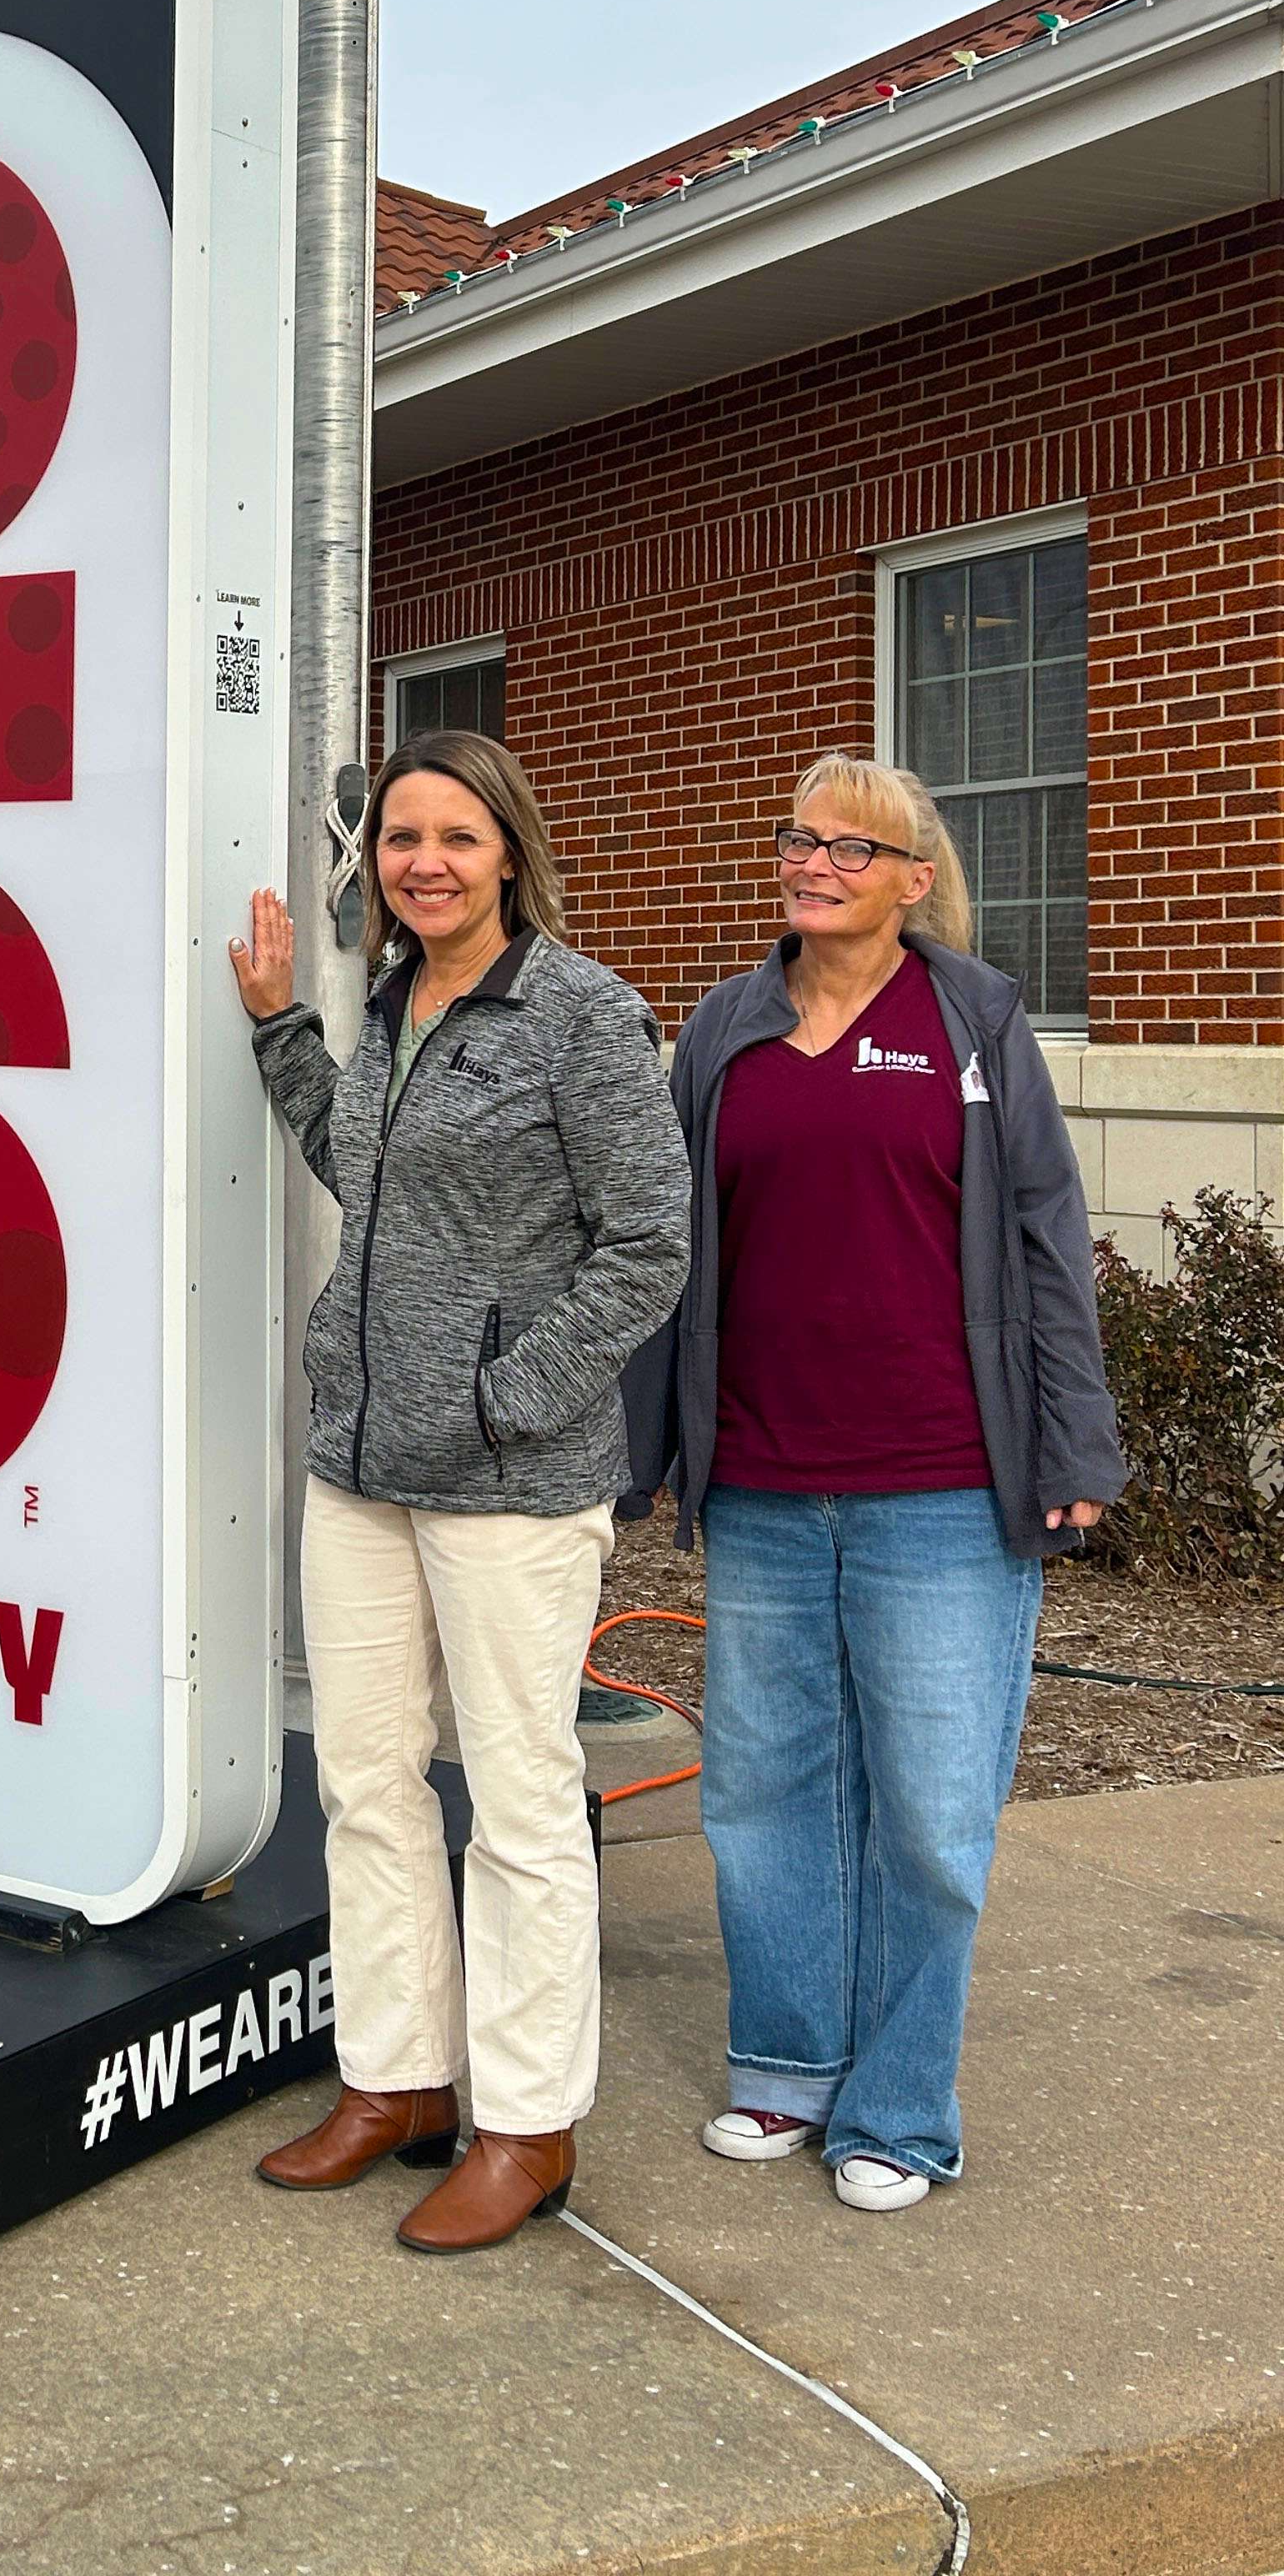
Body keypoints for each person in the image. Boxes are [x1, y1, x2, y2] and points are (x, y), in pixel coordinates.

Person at [629, 754, 1123, 2211]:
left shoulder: (969, 1018)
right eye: (797, 835)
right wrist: (638, 1448)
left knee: (926, 1805)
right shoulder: (722, 1025)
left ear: (914, 878)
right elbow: (666, 1252)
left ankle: (897, 2110)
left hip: (938, 1481)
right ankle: (785, 2066)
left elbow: (1043, 1230)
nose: (815, 861)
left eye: (853, 845)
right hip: (767, 1477)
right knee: (764, 1786)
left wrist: (1073, 1439)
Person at [231, 731, 690, 2253]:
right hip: (359, 1464)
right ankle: (394, 2081)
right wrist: (280, 1031)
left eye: (454, 836)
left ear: (509, 851)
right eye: (398, 836)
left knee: (515, 1807)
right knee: (363, 1783)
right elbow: (363, 1174)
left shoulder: (576, 1014)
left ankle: (523, 2123)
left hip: (506, 1480)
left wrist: (509, 1396)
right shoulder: (392, 1003)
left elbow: (646, 1243)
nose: (421, 859)